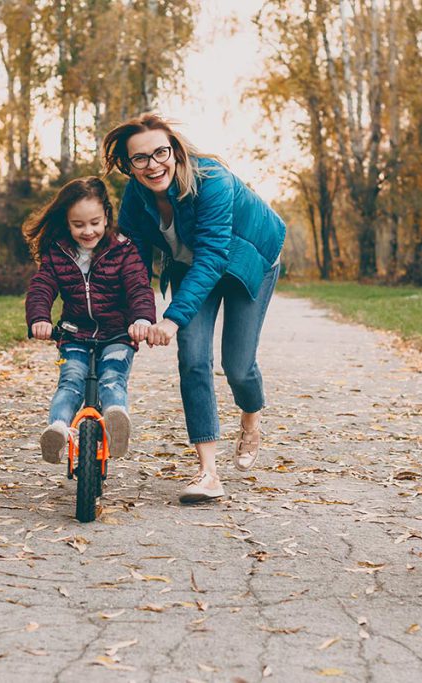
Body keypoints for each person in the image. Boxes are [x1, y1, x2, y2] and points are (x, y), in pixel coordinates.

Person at [102, 113, 286, 504]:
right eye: (140, 159)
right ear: (128, 165)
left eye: (160, 153)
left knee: (237, 365)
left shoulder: (212, 181)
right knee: (193, 359)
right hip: (191, 265)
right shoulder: (135, 196)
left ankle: (251, 416)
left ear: (176, 150)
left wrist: (171, 318)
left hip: (247, 259)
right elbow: (132, 259)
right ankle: (208, 472)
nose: (153, 165)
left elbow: (213, 256)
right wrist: (139, 312)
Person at [23, 176, 156, 465]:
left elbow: (138, 287)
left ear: (107, 215)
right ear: (67, 222)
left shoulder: (123, 249)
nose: (88, 231)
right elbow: (42, 286)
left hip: (119, 333)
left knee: (112, 378)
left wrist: (142, 319)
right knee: (70, 381)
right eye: (78, 224)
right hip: (74, 333)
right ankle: (58, 431)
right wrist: (39, 318)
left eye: (95, 222)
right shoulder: (58, 252)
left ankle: (116, 423)